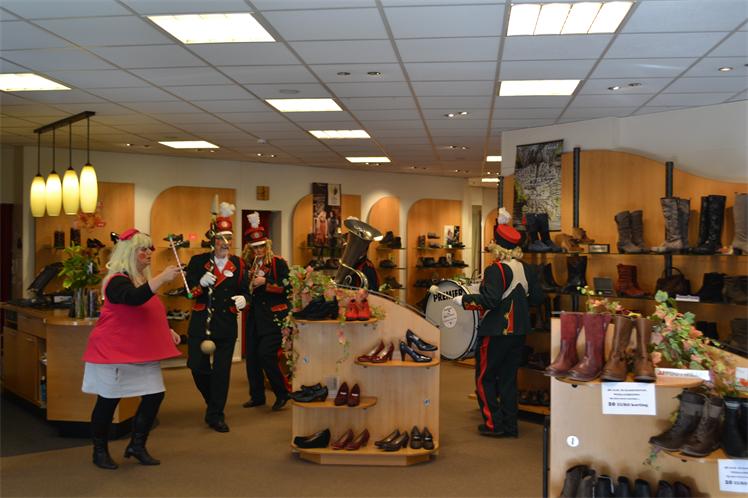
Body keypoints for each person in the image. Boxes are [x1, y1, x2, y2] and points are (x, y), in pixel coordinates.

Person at [82, 228, 182, 470]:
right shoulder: (116, 280)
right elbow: (133, 298)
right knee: (108, 401)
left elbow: (146, 311)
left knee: (154, 395)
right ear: (129, 252)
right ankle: (99, 451)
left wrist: (165, 330)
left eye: (149, 249)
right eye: (142, 249)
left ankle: (137, 445)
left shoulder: (140, 280)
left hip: (139, 351)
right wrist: (161, 278)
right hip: (114, 352)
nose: (148, 253)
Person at [453, 223, 544, 438]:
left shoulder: (496, 269)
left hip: (495, 332)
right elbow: (538, 298)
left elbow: (491, 300)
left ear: (497, 246)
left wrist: (464, 300)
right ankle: (510, 425)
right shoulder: (526, 268)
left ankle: (494, 424)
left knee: (485, 378)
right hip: (519, 332)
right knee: (508, 379)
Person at [185, 203, 249, 433]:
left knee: (222, 373)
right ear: (213, 240)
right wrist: (200, 284)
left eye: (228, 238)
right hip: (201, 324)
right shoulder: (197, 262)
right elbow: (188, 293)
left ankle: (215, 414)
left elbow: (247, 291)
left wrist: (244, 299)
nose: (225, 243)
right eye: (221, 238)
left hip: (226, 325)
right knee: (197, 367)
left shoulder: (239, 264)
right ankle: (212, 401)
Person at [242, 212, 291, 411]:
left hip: (274, 316)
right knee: (252, 357)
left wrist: (266, 282)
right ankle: (257, 396)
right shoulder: (247, 264)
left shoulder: (278, 262)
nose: (259, 250)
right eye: (255, 248)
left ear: (267, 245)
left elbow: (288, 288)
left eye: (261, 246)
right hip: (254, 316)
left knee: (266, 355)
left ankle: (282, 393)